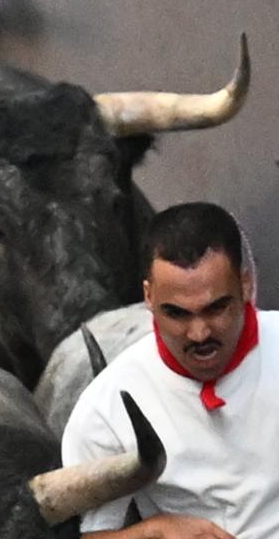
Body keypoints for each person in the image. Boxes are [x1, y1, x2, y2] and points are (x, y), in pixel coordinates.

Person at [61, 202, 277, 539]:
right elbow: (88, 536)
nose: (200, 333)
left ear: (246, 285)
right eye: (177, 314)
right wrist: (154, 533)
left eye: (216, 308)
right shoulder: (103, 410)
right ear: (148, 295)